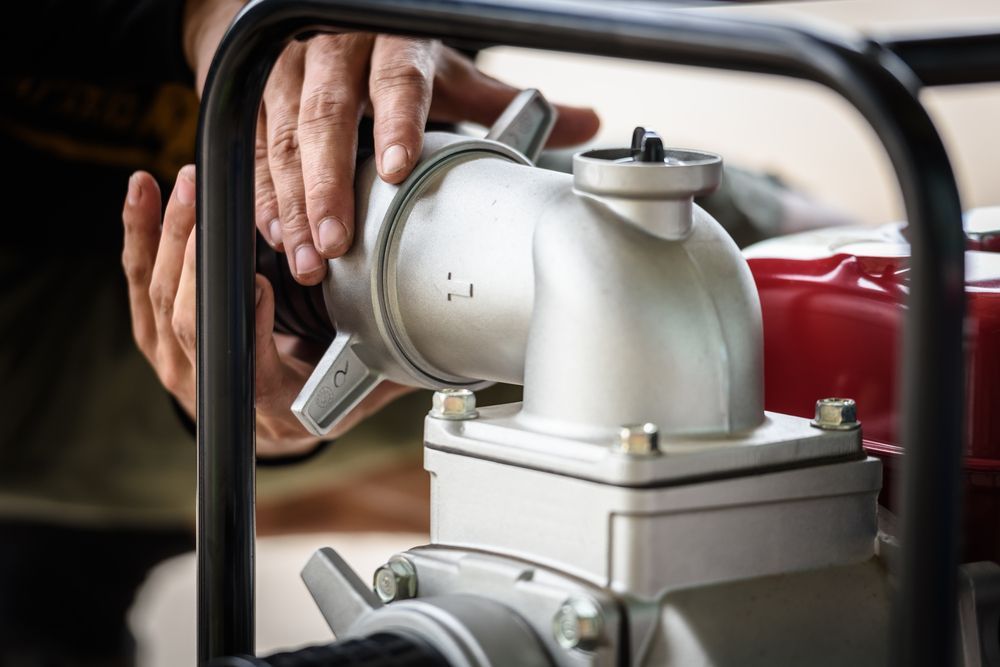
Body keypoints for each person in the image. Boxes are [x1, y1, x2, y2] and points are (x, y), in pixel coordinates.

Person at [0, 1, 600, 664]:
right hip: (59, 382)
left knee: (652, 260)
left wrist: (224, 17)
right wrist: (242, 430)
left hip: (383, 174)